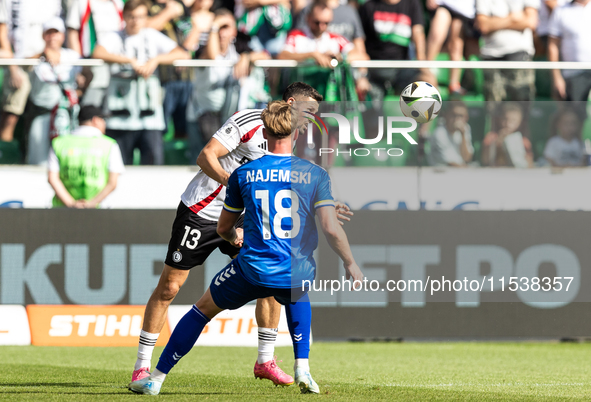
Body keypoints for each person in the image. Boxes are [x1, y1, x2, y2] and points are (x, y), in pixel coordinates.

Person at [128, 100, 364, 396]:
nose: (310, 120)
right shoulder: (254, 129)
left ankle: (263, 360)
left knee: (248, 289)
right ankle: (142, 364)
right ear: (291, 110)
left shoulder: (266, 166)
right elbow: (207, 156)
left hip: (240, 215)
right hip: (201, 211)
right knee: (171, 287)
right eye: (308, 112)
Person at [92, 0, 189, 165]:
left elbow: (183, 54)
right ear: (124, 17)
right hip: (120, 119)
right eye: (131, 17)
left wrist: (156, 60)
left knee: (153, 170)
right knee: (118, 169)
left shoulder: (151, 35)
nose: (136, 21)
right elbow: (98, 52)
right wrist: (129, 61)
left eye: (140, 17)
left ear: (145, 18)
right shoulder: (115, 36)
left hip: (149, 119)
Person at [186, 8, 270, 162]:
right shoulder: (202, 50)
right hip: (202, 116)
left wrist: (246, 57)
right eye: (218, 28)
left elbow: (265, 55)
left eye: (226, 27)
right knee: (202, 166)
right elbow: (213, 57)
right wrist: (214, 25)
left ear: (234, 31)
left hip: (228, 117)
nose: (221, 33)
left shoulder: (239, 49)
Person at [25, 17, 86, 165]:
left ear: (63, 36)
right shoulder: (36, 56)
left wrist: (79, 90)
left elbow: (87, 74)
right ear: (43, 36)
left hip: (66, 116)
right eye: (49, 33)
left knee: (66, 159)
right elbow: (24, 66)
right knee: (39, 161)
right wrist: (44, 53)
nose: (52, 37)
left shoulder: (72, 56)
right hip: (42, 114)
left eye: (56, 33)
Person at [0, 0, 61, 143]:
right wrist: (13, 67)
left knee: (44, 110)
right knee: (11, 115)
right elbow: (2, 33)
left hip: (45, 62)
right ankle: (5, 155)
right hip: (18, 63)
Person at [48, 105, 125, 208]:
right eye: (103, 120)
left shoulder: (59, 143)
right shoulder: (109, 144)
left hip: (62, 211)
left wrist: (71, 203)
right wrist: (91, 204)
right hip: (99, 211)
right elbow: (112, 182)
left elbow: (53, 179)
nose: (105, 124)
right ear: (96, 120)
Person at [358, 0, 435, 99]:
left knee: (427, 82)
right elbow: (359, 43)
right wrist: (362, 75)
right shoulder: (368, 6)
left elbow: (418, 34)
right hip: (375, 71)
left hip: (402, 69)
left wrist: (424, 68)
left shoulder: (412, 3)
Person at [146, 0, 194, 139]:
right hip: (162, 76)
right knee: (161, 127)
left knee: (184, 128)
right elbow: (146, 27)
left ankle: (181, 159)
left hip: (187, 76)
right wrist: (168, 13)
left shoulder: (180, 4)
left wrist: (185, 52)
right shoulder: (146, 4)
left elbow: (189, 29)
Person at [475, 0, 539, 102]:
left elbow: (530, 22)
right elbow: (484, 25)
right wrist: (512, 18)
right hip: (491, 57)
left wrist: (494, 22)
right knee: (494, 107)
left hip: (519, 55)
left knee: (520, 106)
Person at [66, 0, 125, 107]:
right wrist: (79, 66)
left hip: (117, 64)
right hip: (91, 64)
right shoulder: (82, 2)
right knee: (91, 108)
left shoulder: (118, 3)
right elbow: (72, 33)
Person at [426, 0, 478, 96]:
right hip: (444, 4)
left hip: (465, 10)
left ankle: (454, 84)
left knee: (456, 44)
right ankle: (425, 74)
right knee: (437, 33)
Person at [547, 0, 591, 104]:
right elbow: (553, 45)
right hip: (573, 75)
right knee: (574, 115)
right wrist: (557, 78)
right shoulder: (561, 11)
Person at [481, 102, 533, 168]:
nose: (508, 124)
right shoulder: (490, 138)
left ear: (520, 122)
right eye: (505, 119)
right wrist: (497, 143)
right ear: (499, 119)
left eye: (513, 120)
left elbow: (529, 164)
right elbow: (485, 160)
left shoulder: (524, 142)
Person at [428, 101, 474, 167]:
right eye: (454, 115)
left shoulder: (465, 129)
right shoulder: (439, 133)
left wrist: (463, 135)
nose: (457, 119)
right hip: (441, 171)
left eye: (461, 116)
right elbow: (449, 162)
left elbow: (467, 158)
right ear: (446, 115)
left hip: (460, 170)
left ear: (466, 117)